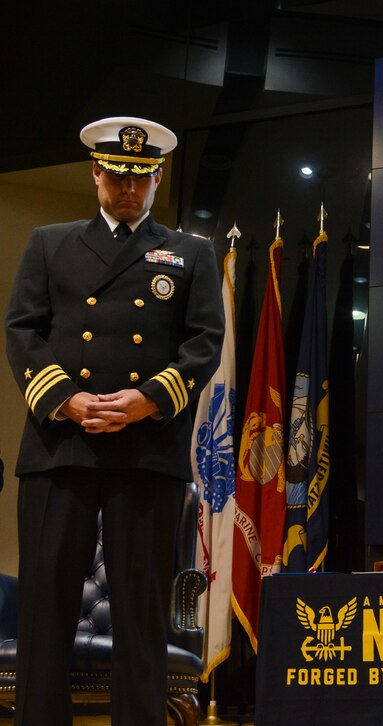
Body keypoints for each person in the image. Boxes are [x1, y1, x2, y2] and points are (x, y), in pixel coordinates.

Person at [5, 116, 224, 725]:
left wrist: (149, 398)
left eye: (143, 178)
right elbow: (23, 332)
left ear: (156, 180)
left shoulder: (191, 253)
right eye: (119, 177)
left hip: (147, 448)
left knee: (140, 610)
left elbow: (205, 341)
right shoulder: (49, 243)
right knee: (45, 608)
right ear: (96, 174)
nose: (130, 189)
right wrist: (65, 399)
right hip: (58, 446)